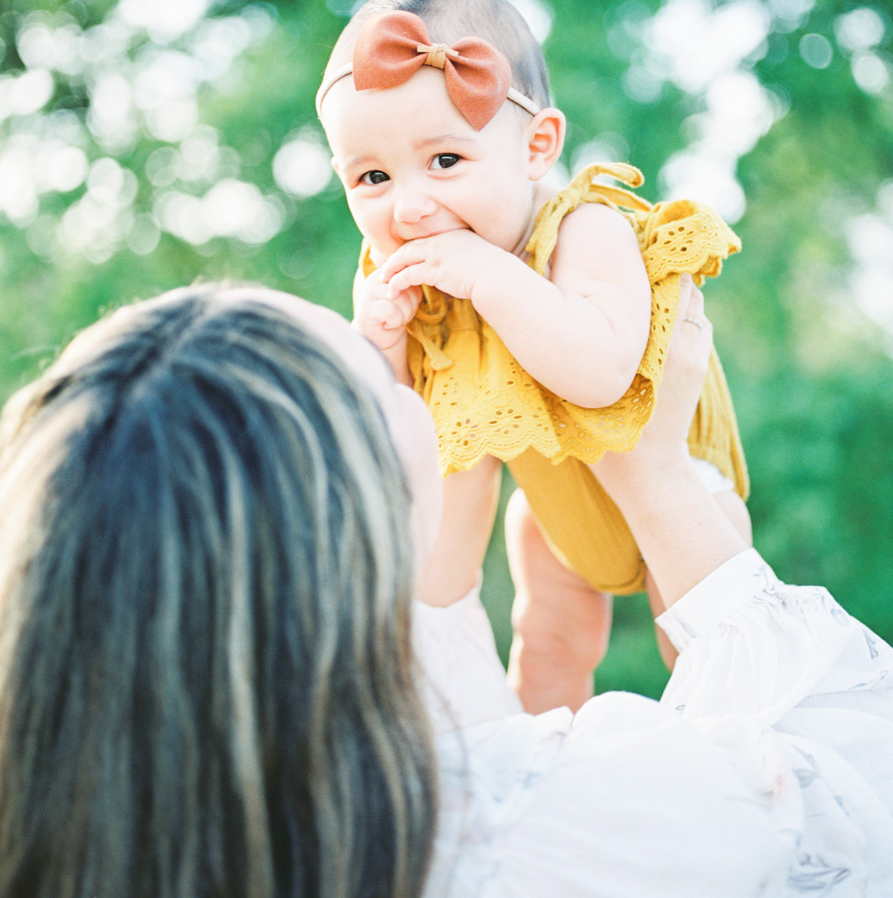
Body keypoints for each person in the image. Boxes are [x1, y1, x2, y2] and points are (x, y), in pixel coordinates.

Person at [0, 279, 892, 898]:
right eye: (366, 371)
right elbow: (857, 788)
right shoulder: (545, 831)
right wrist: (655, 476)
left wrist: (444, 568)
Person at [315, 0, 751, 711]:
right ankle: (546, 760)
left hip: (674, 487)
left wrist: (490, 276)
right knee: (545, 649)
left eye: (445, 161)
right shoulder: (405, 274)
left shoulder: (583, 229)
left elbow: (600, 374)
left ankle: (717, 769)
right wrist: (381, 340)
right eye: (373, 178)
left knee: (703, 655)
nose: (411, 205)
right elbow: (405, 425)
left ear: (536, 146)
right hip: (553, 504)